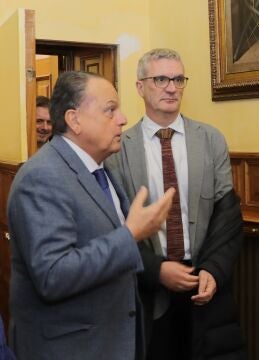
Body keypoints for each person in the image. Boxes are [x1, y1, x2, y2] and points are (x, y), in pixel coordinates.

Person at [7, 71, 175, 360]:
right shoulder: (42, 177)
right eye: (110, 110)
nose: (122, 119)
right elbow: (53, 275)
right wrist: (131, 234)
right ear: (74, 120)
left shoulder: (99, 168)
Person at [106, 48, 245, 360]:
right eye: (161, 79)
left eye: (178, 79)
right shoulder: (117, 149)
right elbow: (114, 224)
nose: (171, 87)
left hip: (204, 282)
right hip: (148, 287)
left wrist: (213, 268)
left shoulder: (211, 139)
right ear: (140, 87)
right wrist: (157, 271)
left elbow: (228, 214)